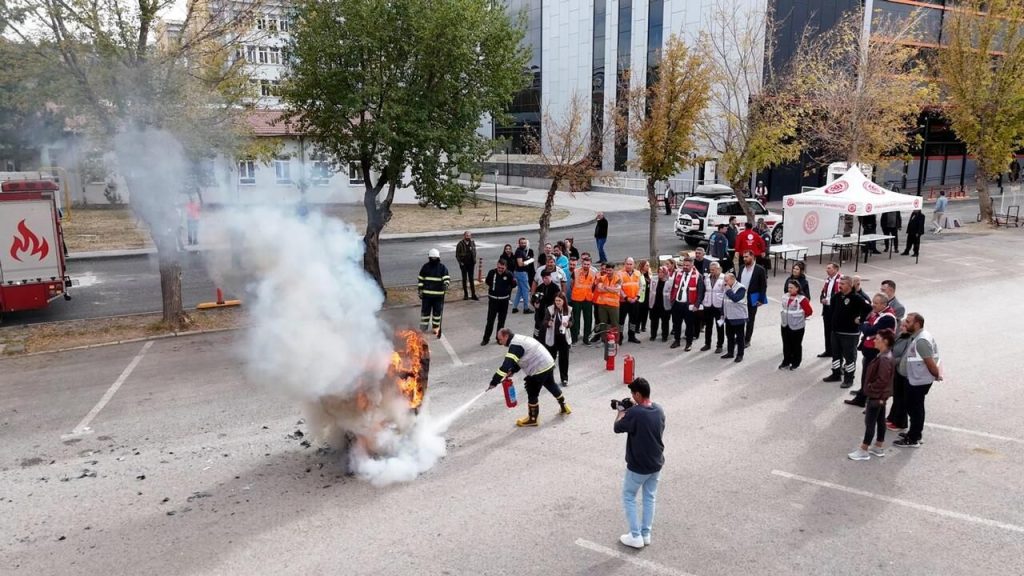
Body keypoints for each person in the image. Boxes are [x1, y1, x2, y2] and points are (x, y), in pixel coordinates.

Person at [614, 377, 665, 549]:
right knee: (649, 497)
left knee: (629, 496)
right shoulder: (658, 409)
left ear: (637, 394)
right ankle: (646, 533)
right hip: (656, 462)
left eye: (632, 394)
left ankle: (635, 536)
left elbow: (617, 427)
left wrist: (621, 411)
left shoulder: (635, 413)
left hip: (638, 465)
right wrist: (632, 410)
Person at [487, 328, 570, 427]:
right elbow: (521, 357)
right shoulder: (518, 339)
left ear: (506, 336)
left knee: (532, 392)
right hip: (547, 363)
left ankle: (533, 419)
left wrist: (494, 382)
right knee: (551, 384)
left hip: (538, 368)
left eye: (500, 339)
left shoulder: (515, 346)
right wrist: (513, 370)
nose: (500, 342)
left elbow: (505, 366)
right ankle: (564, 406)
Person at [894, 313, 941, 448]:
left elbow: (930, 363)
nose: (905, 324)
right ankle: (914, 433)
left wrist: (937, 375)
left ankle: (913, 438)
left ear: (917, 324)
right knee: (914, 407)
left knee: (915, 408)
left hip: (918, 381)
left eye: (908, 322)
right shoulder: (917, 337)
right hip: (915, 379)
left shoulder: (921, 341)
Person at [848, 329, 896, 461]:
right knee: (880, 421)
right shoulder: (885, 355)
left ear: (885, 341)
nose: (874, 340)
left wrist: (869, 388)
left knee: (870, 422)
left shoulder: (884, 359)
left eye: (877, 339)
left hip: (877, 395)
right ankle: (878, 446)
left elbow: (882, 379)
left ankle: (864, 449)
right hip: (881, 395)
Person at [845, 293, 897, 407]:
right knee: (866, 375)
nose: (873, 305)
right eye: (873, 302)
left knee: (871, 377)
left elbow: (870, 330)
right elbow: (869, 325)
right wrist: (867, 323)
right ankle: (862, 394)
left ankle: (866, 400)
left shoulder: (887, 317)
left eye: (876, 303)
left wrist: (863, 323)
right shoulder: (879, 313)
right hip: (869, 350)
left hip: (875, 352)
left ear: (884, 304)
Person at [822, 277, 872, 388]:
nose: (840, 286)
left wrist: (861, 319)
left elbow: (869, 308)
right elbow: (832, 309)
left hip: (850, 334)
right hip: (836, 332)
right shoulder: (837, 296)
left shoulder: (856, 297)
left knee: (849, 357)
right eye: (840, 283)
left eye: (843, 284)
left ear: (850, 285)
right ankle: (836, 374)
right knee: (836, 355)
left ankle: (849, 379)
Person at [885, 317, 915, 432]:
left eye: (903, 326)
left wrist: (889, 361)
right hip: (896, 369)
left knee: (901, 397)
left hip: (903, 370)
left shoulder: (910, 340)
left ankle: (900, 422)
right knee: (897, 395)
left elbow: (903, 357)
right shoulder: (902, 336)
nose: (901, 327)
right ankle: (892, 417)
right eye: (901, 325)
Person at [671, 256, 705, 351]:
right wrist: (672, 300)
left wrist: (696, 305)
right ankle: (677, 340)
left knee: (689, 326)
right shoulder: (678, 273)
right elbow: (674, 287)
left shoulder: (698, 276)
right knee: (676, 324)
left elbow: (700, 292)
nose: (685, 267)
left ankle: (688, 343)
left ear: (692, 265)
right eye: (684, 265)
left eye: (687, 265)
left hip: (689, 305)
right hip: (677, 303)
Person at [779, 280, 814, 370]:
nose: (789, 289)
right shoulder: (785, 296)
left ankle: (796, 362)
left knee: (796, 345)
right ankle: (786, 361)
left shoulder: (802, 299)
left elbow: (809, 311)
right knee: (786, 344)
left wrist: (800, 318)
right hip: (785, 325)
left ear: (797, 288)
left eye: (791, 288)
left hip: (797, 326)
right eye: (788, 287)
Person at [481, 259, 517, 346]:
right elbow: (488, 282)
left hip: (504, 301)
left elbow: (514, 284)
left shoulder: (509, 274)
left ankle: (499, 339)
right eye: (499, 267)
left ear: (505, 267)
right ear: (497, 265)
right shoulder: (491, 273)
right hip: (493, 301)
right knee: (490, 321)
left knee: (501, 321)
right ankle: (486, 339)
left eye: (502, 268)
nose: (500, 269)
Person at [417, 248, 450, 337]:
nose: (433, 259)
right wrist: (420, 289)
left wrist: (445, 284)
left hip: (437, 296)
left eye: (434, 258)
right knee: (425, 313)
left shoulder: (442, 268)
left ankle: (436, 328)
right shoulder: (425, 267)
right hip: (427, 296)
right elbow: (421, 279)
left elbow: (446, 278)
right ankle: (423, 328)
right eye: (432, 258)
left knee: (437, 313)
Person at [737, 250, 767, 346]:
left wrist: (761, 299)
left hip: (753, 297)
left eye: (746, 257)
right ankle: (739, 337)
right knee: (739, 319)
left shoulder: (760, 269)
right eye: (743, 257)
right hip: (741, 297)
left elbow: (763, 286)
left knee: (750, 319)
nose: (744, 259)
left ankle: (747, 339)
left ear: (753, 257)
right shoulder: (741, 268)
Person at [543, 293, 573, 387]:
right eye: (556, 300)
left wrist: (568, 324)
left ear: (564, 301)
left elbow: (572, 321)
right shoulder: (550, 309)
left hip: (564, 338)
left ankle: (564, 379)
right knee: (550, 360)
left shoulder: (568, 309)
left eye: (559, 301)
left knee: (564, 360)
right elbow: (544, 322)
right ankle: (548, 379)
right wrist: (548, 323)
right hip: (553, 338)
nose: (557, 302)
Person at [570, 253, 598, 345]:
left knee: (588, 319)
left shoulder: (594, 273)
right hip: (577, 299)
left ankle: (586, 338)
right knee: (575, 320)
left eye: (588, 264)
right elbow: (572, 284)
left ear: (590, 264)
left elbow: (594, 285)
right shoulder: (576, 271)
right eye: (584, 264)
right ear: (582, 263)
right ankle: (574, 338)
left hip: (588, 299)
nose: (586, 266)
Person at [818, 262, 843, 358]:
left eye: (829, 268)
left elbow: (838, 295)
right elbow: (823, 292)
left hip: (835, 309)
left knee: (835, 332)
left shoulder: (840, 280)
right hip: (827, 309)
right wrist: (821, 299)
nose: (827, 270)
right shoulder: (828, 280)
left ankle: (836, 352)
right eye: (827, 268)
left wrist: (828, 301)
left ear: (836, 269)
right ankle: (828, 350)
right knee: (827, 330)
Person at [593, 262, 623, 342]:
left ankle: (615, 341)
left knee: (615, 324)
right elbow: (599, 289)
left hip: (614, 306)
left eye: (610, 270)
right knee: (603, 324)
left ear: (614, 270)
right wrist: (611, 289)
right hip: (602, 305)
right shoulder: (602, 278)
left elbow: (617, 290)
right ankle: (604, 340)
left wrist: (605, 287)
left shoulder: (618, 278)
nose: (608, 272)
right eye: (607, 270)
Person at [721, 273, 748, 362]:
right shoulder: (727, 286)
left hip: (738, 317)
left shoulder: (741, 288)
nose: (725, 282)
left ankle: (740, 355)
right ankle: (730, 352)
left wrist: (728, 290)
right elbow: (724, 301)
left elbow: (736, 299)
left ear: (733, 279)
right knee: (729, 336)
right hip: (728, 316)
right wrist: (722, 313)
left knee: (740, 337)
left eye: (726, 280)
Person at [700, 262, 726, 353]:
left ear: (719, 269)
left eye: (713, 270)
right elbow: (704, 290)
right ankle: (707, 344)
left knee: (720, 326)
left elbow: (726, 292)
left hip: (719, 306)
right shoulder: (707, 278)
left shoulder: (724, 278)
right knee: (708, 326)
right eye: (710, 270)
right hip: (708, 305)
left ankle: (719, 345)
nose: (711, 272)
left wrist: (724, 306)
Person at [618, 258, 644, 344]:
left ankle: (631, 336)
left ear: (634, 265)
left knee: (633, 320)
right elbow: (619, 288)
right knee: (621, 321)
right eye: (627, 264)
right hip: (624, 301)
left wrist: (637, 297)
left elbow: (641, 286)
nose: (629, 266)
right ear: (624, 264)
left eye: (631, 264)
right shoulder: (619, 274)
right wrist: (626, 298)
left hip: (634, 300)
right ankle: (620, 336)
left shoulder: (638, 273)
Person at [531, 268, 561, 339]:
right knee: (537, 333)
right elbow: (534, 298)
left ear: (550, 277)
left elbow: (558, 302)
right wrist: (535, 303)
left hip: (550, 314)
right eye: (543, 278)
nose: (544, 280)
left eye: (546, 278)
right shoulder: (540, 287)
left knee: (549, 333)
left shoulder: (555, 288)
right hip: (539, 314)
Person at [647, 266, 672, 342]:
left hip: (665, 305)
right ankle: (653, 335)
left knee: (665, 322)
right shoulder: (654, 279)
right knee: (654, 322)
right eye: (659, 272)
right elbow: (651, 291)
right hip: (654, 305)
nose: (660, 274)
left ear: (666, 273)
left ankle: (664, 336)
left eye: (662, 272)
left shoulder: (670, 281)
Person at [512, 237, 536, 314]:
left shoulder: (521, 251)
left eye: (524, 243)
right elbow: (520, 264)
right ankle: (526, 308)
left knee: (520, 291)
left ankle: (514, 307)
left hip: (519, 273)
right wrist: (529, 261)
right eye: (522, 243)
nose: (523, 244)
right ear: (519, 243)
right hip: (521, 273)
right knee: (526, 290)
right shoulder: (519, 252)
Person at [455, 231, 478, 300]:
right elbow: (457, 255)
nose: (468, 237)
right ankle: (466, 295)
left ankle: (473, 294)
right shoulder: (460, 244)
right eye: (467, 235)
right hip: (464, 264)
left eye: (469, 235)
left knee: (471, 279)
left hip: (471, 264)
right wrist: (460, 263)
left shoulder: (472, 243)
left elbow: (474, 252)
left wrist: (474, 260)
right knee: (464, 279)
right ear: (464, 236)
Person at [637, 259, 652, 334]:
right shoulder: (638, 274)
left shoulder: (649, 274)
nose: (648, 267)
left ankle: (643, 326)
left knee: (645, 313)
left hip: (647, 297)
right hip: (640, 297)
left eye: (648, 265)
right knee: (639, 313)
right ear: (642, 266)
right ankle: (637, 327)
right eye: (646, 265)